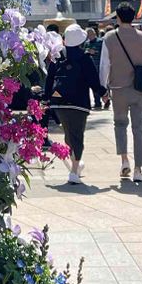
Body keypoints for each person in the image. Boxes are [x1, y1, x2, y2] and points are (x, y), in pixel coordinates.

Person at [99, 2, 142, 182]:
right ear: (134, 17)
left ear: (117, 17)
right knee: (139, 129)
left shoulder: (109, 37)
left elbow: (104, 65)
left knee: (120, 124)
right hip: (139, 89)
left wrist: (104, 87)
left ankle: (124, 160)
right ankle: (138, 169)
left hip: (118, 88)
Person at [44, 23, 105, 185]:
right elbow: (94, 81)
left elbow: (49, 79)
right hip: (78, 103)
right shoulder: (84, 58)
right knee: (77, 135)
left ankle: (76, 165)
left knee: (69, 135)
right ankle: (74, 170)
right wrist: (104, 94)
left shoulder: (58, 56)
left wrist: (46, 98)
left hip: (59, 103)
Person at [83, 27, 103, 109]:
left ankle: (104, 99)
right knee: (91, 84)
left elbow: (104, 52)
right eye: (88, 35)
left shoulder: (100, 42)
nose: (89, 36)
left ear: (94, 34)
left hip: (99, 65)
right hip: (89, 66)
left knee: (101, 84)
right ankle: (97, 101)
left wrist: (95, 52)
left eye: (90, 34)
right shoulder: (86, 43)